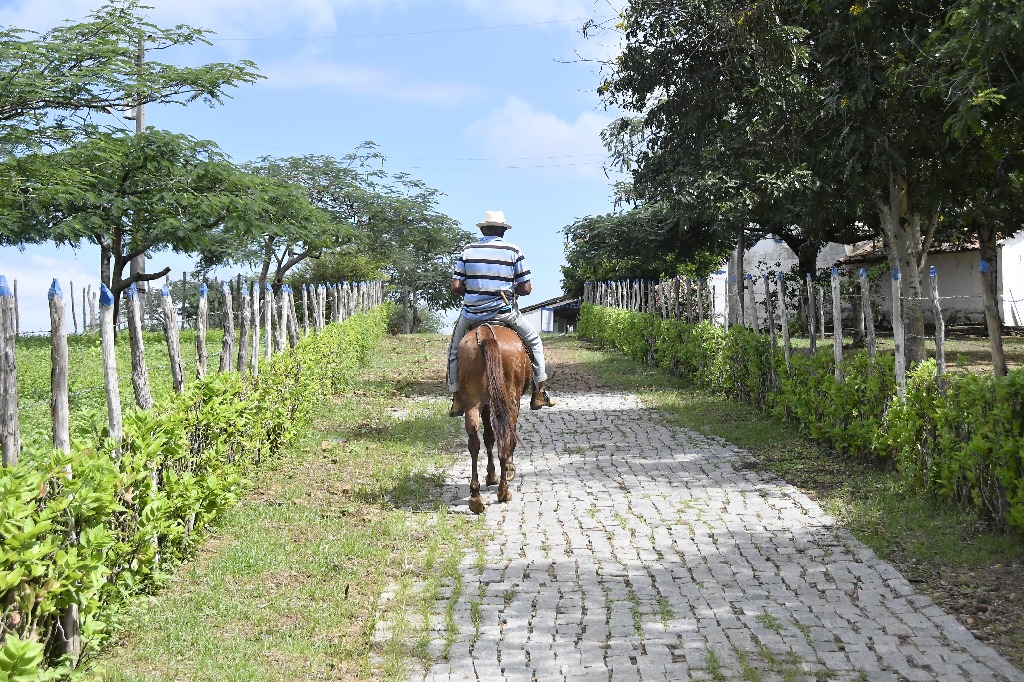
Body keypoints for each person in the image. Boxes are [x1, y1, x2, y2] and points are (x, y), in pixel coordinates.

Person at [448, 210, 555, 417]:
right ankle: (540, 391)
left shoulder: (468, 250)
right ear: (503, 231)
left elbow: (455, 286)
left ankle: (456, 397)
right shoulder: (513, 250)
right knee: (534, 341)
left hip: (472, 313)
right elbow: (526, 288)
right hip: (504, 313)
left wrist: (473, 291)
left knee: (454, 350)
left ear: (483, 229)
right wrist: (508, 290)